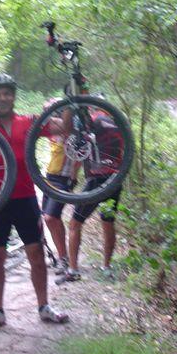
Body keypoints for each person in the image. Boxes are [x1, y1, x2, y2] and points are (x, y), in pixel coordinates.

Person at [0, 73, 69, 333]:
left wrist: (73, 100)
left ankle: (44, 307)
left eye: (7, 93)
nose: (2, 98)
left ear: (14, 96)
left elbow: (63, 127)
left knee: (36, 254)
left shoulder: (29, 122)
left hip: (25, 198)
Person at [55, 98, 124, 284]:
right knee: (108, 222)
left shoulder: (91, 121)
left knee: (75, 223)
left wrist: (73, 175)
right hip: (116, 179)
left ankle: (73, 269)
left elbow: (79, 148)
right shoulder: (118, 122)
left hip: (97, 178)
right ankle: (107, 267)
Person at [40, 98, 80, 276]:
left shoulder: (71, 130)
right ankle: (62, 257)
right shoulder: (52, 130)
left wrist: (73, 177)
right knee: (50, 219)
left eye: (53, 111)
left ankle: (64, 259)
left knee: (50, 217)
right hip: (50, 177)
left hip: (63, 179)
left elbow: (79, 156)